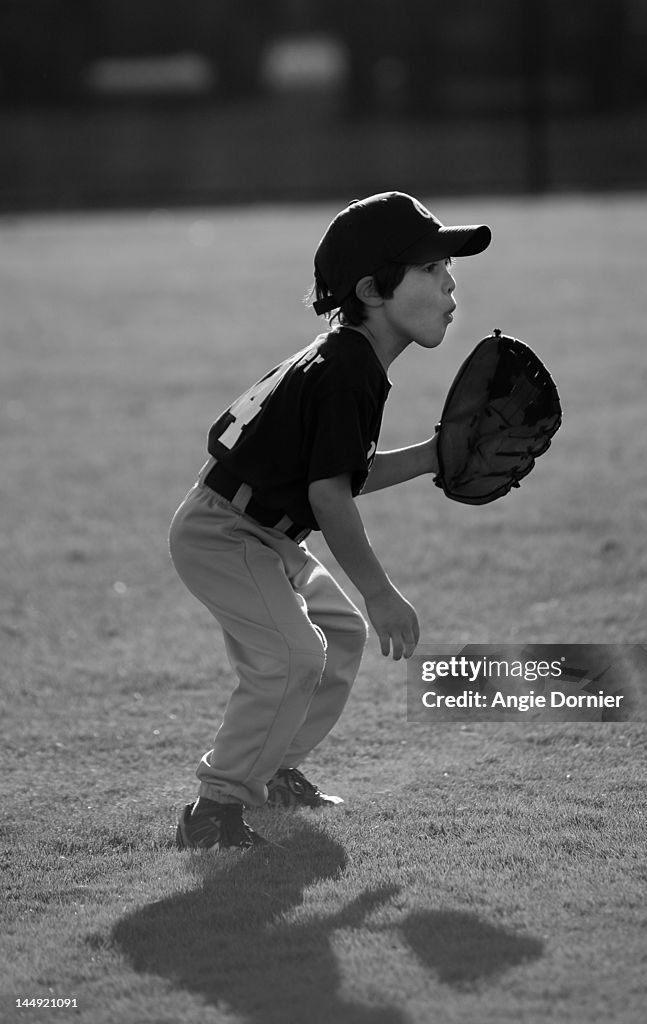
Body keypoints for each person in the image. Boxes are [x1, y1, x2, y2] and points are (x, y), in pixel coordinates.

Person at [169, 191, 491, 850]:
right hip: (227, 532)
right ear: (373, 289)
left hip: (261, 530)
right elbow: (329, 496)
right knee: (293, 655)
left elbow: (339, 474)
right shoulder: (350, 367)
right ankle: (214, 809)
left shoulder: (350, 357)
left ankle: (276, 768)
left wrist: (431, 456)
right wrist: (379, 591)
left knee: (335, 636)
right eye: (431, 269)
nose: (450, 280)